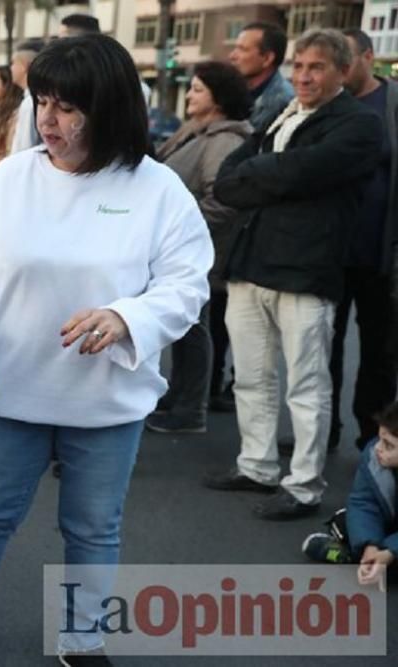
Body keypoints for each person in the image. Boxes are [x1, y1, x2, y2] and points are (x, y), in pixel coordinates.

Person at [0, 34, 212, 667]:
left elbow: (186, 285)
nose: (49, 118)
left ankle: (83, 636)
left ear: (111, 107)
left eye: (69, 106)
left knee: (93, 528)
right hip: (14, 388)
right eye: (42, 101)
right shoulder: (10, 180)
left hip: (106, 401)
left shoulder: (157, 189)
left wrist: (125, 316)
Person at [203, 29, 383, 520]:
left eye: (316, 67)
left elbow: (301, 172)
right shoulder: (283, 115)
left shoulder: (360, 126)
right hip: (249, 266)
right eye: (299, 66)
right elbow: (228, 181)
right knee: (252, 380)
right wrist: (275, 176)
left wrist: (267, 174)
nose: (303, 76)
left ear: (342, 71)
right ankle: (257, 466)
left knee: (306, 385)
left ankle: (304, 485)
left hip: (306, 270)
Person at [147, 61, 253, 434]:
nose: (189, 95)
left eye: (197, 89)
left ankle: (190, 409)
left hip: (197, 249)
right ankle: (178, 397)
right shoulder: (196, 130)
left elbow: (222, 199)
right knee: (185, 329)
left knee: (193, 327)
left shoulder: (224, 140)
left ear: (218, 98)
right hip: (179, 245)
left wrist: (180, 231)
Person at [328, 28, 398, 451]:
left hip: (380, 252)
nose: (339, 67)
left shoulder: (391, 103)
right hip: (331, 253)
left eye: (346, 58)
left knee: (379, 353)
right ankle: (322, 430)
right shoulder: (327, 107)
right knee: (322, 348)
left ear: (368, 57)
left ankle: (373, 438)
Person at [302, 400, 398, 591]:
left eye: (389, 445)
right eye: (380, 439)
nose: (378, 448)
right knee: (344, 521)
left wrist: (390, 552)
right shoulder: (374, 455)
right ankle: (367, 559)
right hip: (390, 525)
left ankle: (350, 558)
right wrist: (370, 545)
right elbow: (363, 502)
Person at [229, 21, 294, 132]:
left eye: (242, 49)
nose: (232, 56)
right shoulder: (234, 90)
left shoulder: (281, 102)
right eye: (235, 48)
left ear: (267, 59)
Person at [8, 39, 42, 154]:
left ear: (25, 66)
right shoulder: (31, 100)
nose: (11, 68)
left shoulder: (30, 103)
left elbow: (23, 149)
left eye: (13, 63)